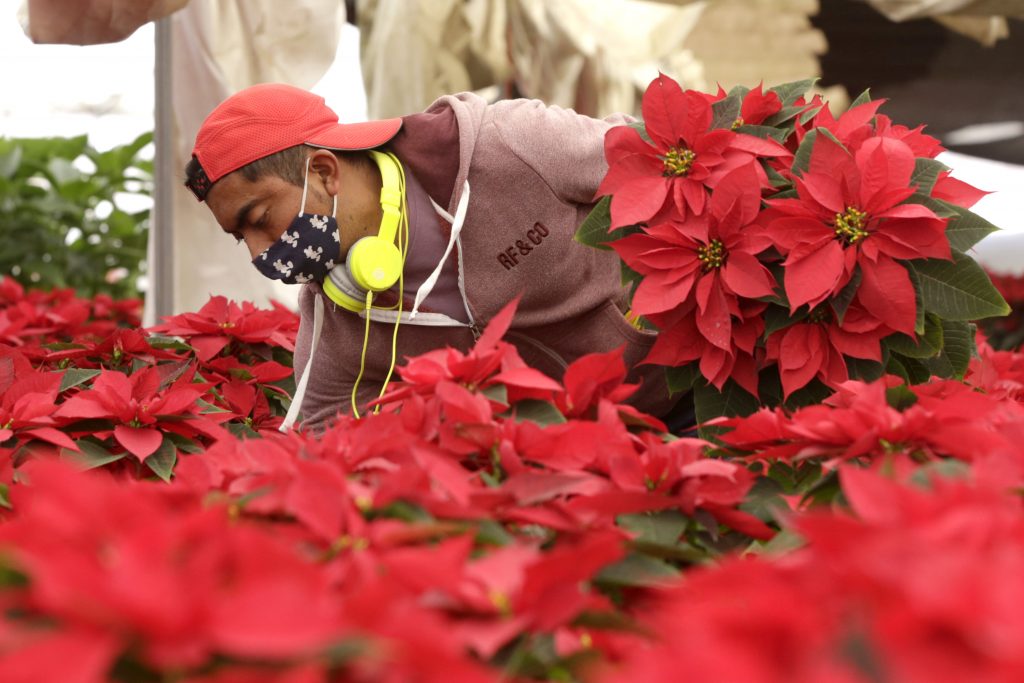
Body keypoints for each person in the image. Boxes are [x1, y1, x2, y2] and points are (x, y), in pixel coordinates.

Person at [185, 82, 687, 433]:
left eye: (258, 218)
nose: (258, 250)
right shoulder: (335, 320)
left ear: (323, 172)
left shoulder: (507, 144)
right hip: (581, 465)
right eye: (239, 237)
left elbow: (671, 161)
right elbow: (319, 439)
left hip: (692, 398)